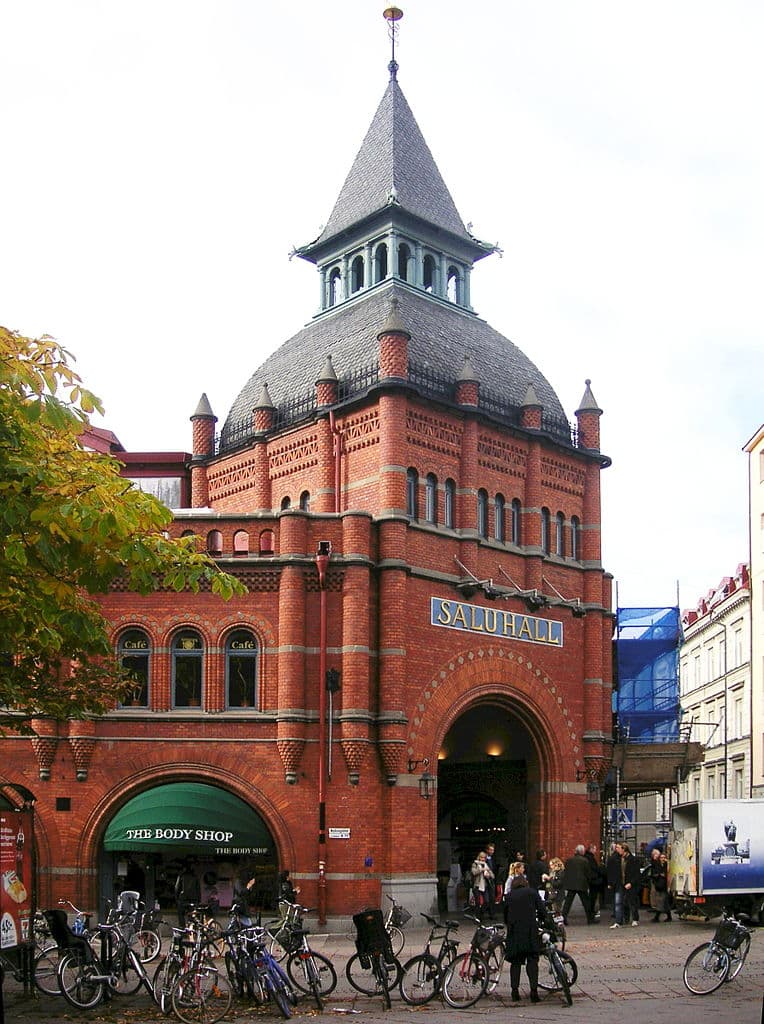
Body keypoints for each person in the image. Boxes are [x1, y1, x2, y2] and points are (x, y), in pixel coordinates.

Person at [504, 874, 545, 1002]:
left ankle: (514, 992)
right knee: (532, 961)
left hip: (515, 932)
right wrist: (542, 920)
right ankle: (534, 992)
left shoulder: (509, 896)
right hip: (530, 931)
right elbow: (542, 910)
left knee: (515, 963)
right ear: (525, 883)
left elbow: (505, 915)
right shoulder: (532, 892)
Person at [561, 844, 595, 924]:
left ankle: (563, 917)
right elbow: (588, 873)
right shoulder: (584, 861)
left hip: (571, 884)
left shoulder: (569, 860)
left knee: (568, 903)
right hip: (582, 884)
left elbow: (566, 871)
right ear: (582, 852)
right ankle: (590, 919)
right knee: (586, 903)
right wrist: (589, 881)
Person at [611, 842, 641, 928]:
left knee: (632, 902)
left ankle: (635, 919)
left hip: (630, 884)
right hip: (621, 883)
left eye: (618, 848)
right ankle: (619, 921)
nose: (617, 850)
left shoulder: (633, 860)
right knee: (619, 902)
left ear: (624, 849)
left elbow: (636, 874)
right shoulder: (618, 859)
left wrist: (631, 883)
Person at [647, 849, 672, 922]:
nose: (663, 859)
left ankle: (657, 917)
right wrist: (659, 875)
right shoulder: (657, 865)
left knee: (661, 901)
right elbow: (653, 873)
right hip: (659, 885)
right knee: (664, 902)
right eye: (661, 858)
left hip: (664, 885)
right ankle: (669, 916)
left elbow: (668, 874)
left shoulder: (667, 865)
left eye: (664, 858)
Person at [175, 860, 201, 927]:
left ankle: (183, 928)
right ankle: (192, 929)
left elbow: (177, 888)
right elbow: (198, 889)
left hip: (183, 899)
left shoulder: (181, 876)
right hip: (193, 899)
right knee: (192, 915)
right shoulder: (195, 877)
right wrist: (198, 899)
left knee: (181, 914)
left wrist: (177, 898)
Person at [470, 850, 494, 921]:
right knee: (478, 902)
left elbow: (492, 875)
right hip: (477, 885)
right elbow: (474, 872)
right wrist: (481, 870)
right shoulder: (475, 864)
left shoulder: (486, 865)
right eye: (481, 857)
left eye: (484, 858)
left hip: (485, 886)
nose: (483, 859)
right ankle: (478, 917)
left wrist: (488, 875)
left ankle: (481, 913)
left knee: (486, 901)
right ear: (479, 857)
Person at [584, 843, 605, 920]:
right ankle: (591, 914)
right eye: (595, 849)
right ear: (591, 849)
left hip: (591, 880)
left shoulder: (587, 857)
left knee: (591, 898)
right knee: (592, 898)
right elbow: (594, 869)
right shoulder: (590, 858)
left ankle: (591, 913)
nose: (596, 851)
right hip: (593, 881)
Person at [605, 842, 622, 917]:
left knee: (615, 897)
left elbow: (609, 871)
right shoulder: (619, 858)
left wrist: (609, 882)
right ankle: (618, 913)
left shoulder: (612, 858)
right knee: (618, 897)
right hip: (618, 880)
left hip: (614, 880)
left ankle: (616, 912)